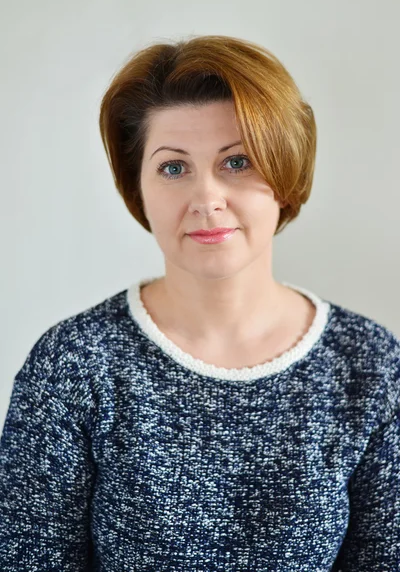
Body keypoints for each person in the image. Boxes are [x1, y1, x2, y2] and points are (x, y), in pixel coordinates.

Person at [0, 34, 399, 571]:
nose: (207, 198)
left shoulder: (371, 367)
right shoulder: (73, 365)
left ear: (285, 177)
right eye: (173, 167)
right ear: (136, 187)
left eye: (237, 162)